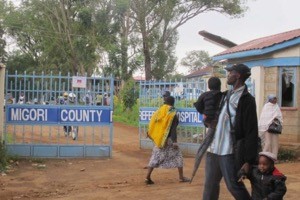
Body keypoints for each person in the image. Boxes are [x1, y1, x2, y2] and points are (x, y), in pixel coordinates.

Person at [202, 64, 259, 200]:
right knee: (210, 185)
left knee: (234, 185)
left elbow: (251, 131)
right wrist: (209, 121)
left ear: (238, 75)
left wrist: (249, 160)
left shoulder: (247, 100)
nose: (228, 75)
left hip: (229, 151)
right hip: (214, 148)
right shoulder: (225, 95)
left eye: (230, 72)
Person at [145, 96, 190, 185]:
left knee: (155, 157)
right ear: (173, 103)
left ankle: (147, 177)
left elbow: (152, 123)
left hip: (159, 140)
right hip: (168, 140)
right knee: (178, 156)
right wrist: (174, 142)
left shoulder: (158, 111)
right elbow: (173, 129)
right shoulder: (172, 114)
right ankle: (181, 177)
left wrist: (150, 133)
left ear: (164, 103)